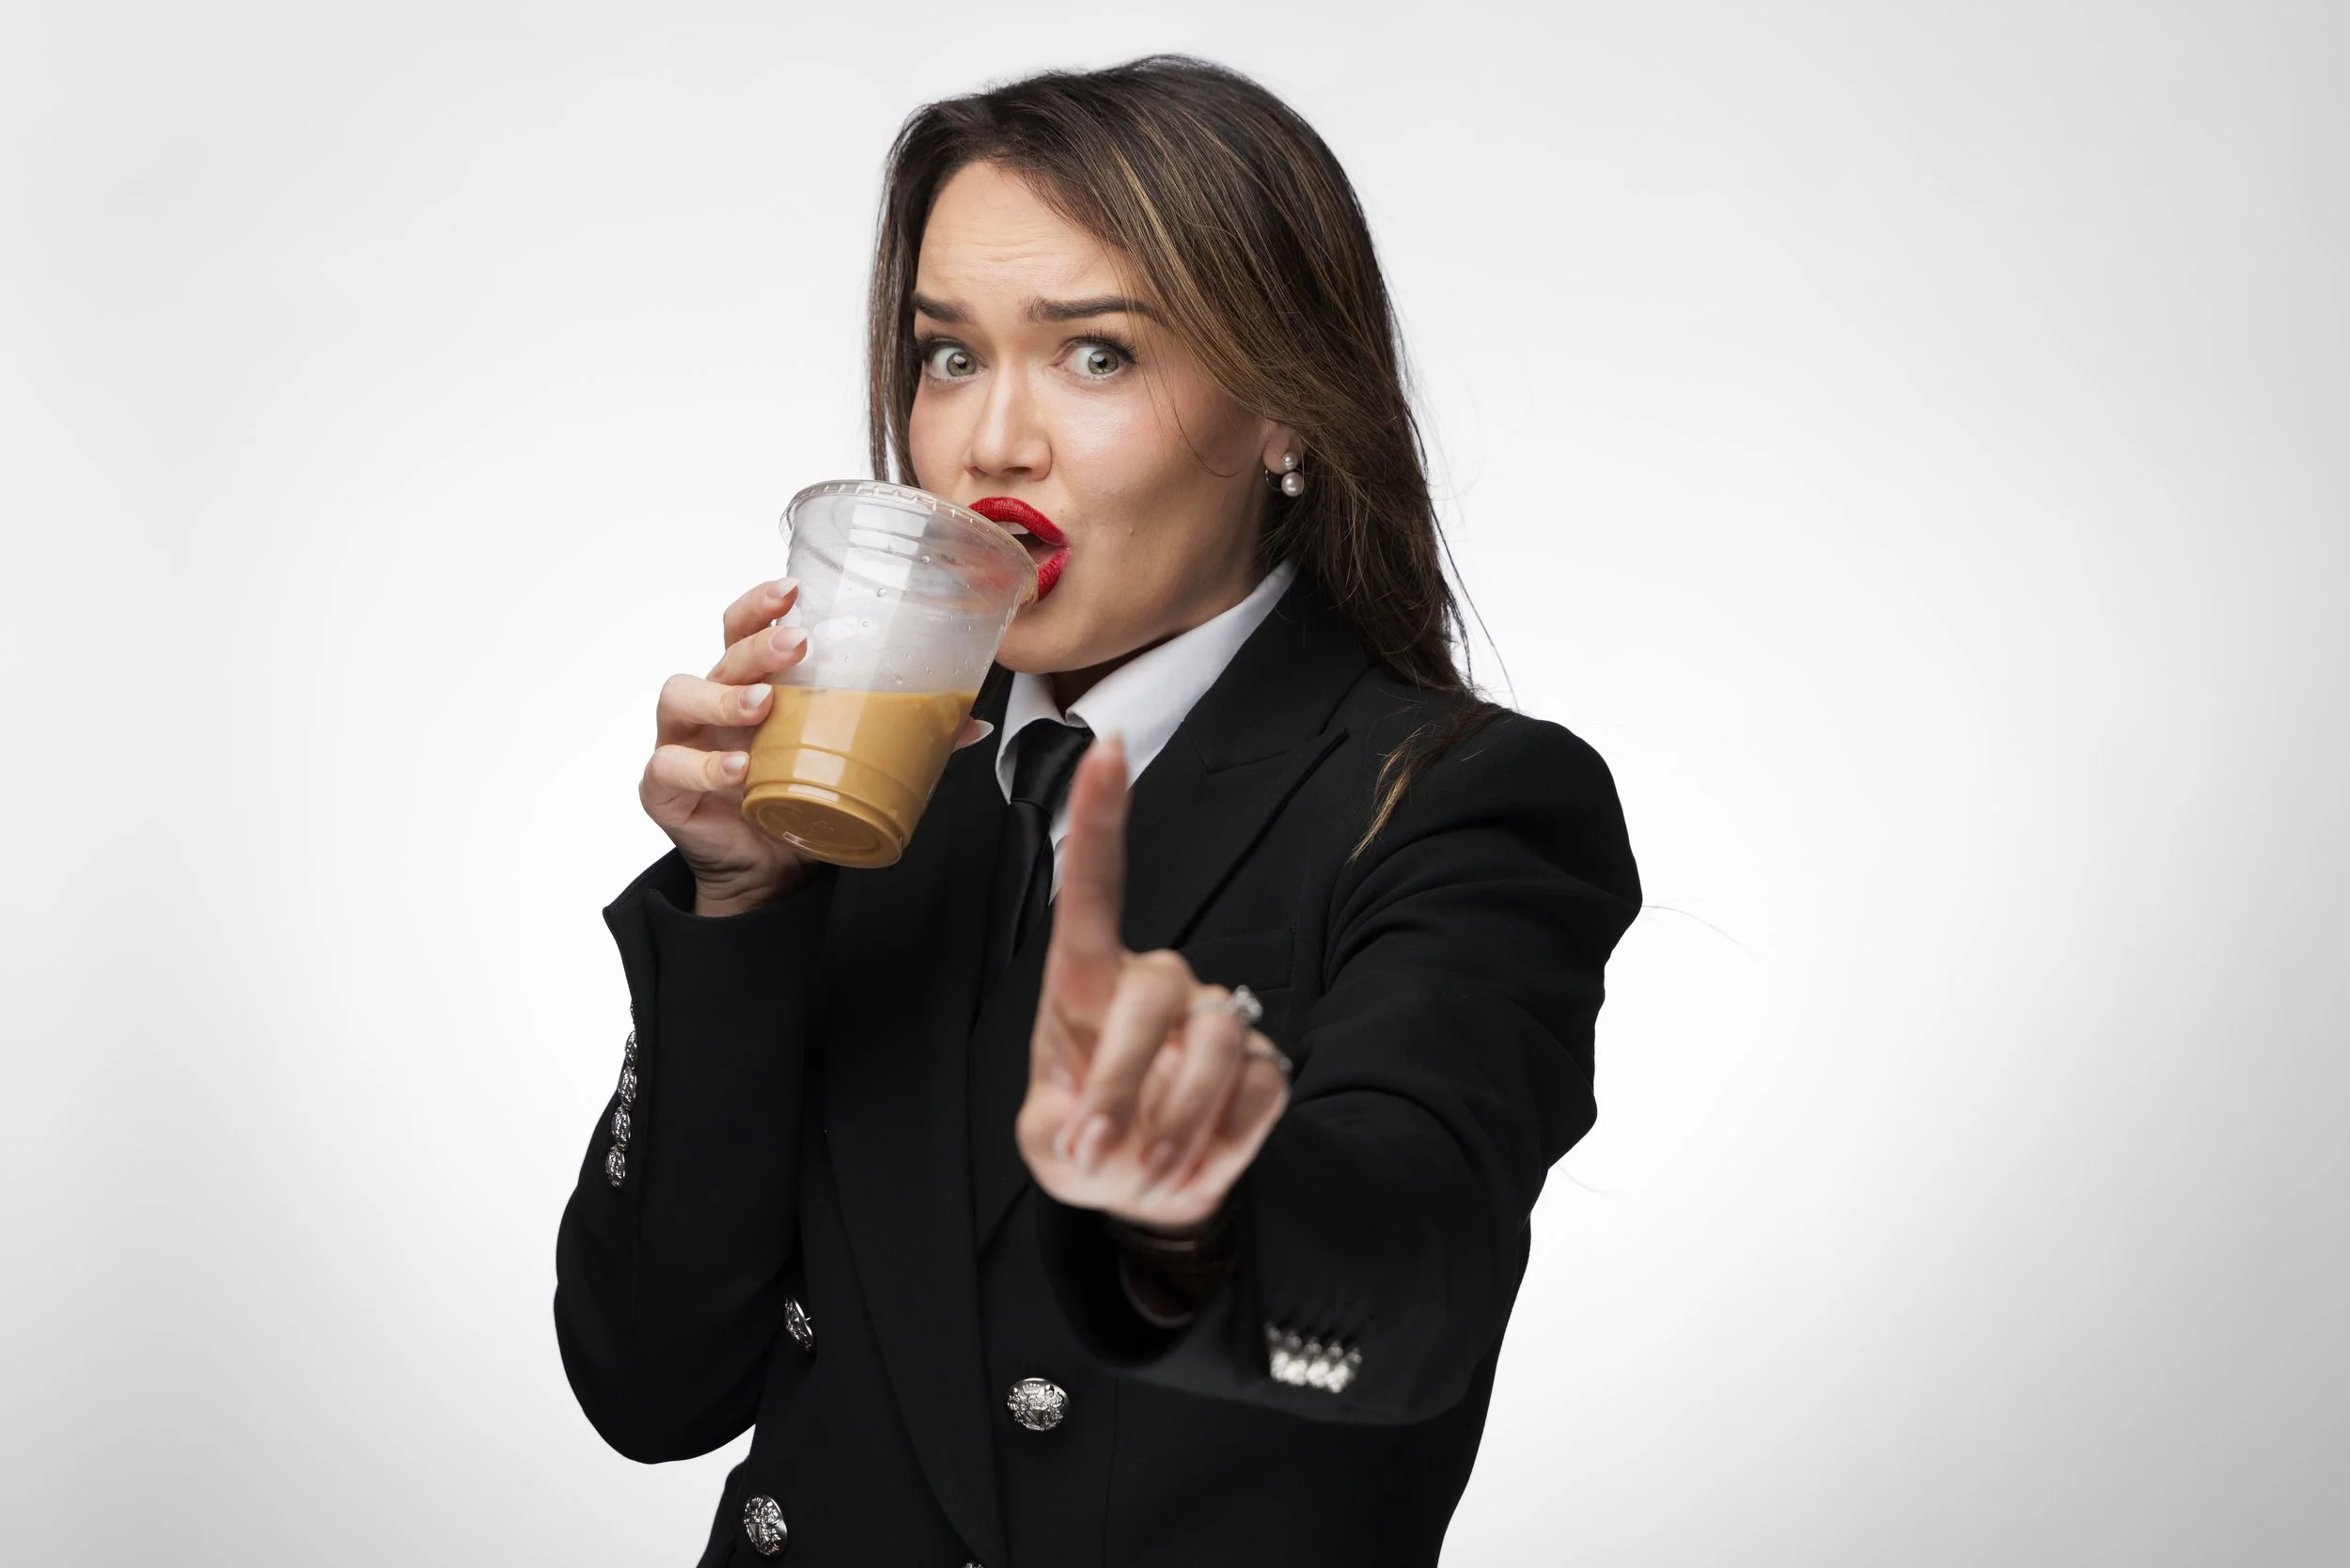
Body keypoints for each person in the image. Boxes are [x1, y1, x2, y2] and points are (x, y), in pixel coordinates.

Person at [554, 54, 1641, 1568]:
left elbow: (1401, 1322)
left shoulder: (1456, 801)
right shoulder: (863, 789)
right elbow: (649, 1384)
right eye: (949, 356)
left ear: (1288, 407)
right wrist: (740, 912)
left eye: (1096, 356)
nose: (991, 443)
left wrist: (1193, 1217)